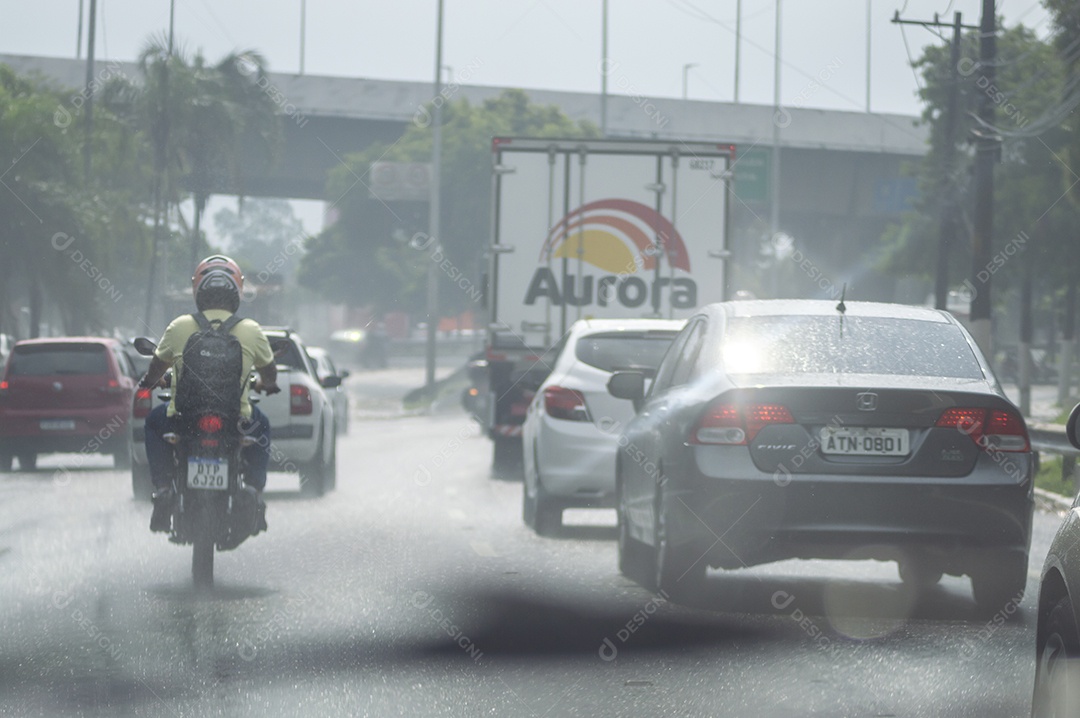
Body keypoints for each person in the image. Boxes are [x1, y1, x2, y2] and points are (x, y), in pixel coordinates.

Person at [138, 255, 280, 532]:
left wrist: (151, 381)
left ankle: (164, 488)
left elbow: (156, 366)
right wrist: (266, 384)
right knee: (262, 425)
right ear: (237, 291)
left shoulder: (179, 326)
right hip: (236, 420)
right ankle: (253, 489)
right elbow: (270, 373)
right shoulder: (250, 329)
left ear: (198, 291)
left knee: (153, 422)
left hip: (182, 419)